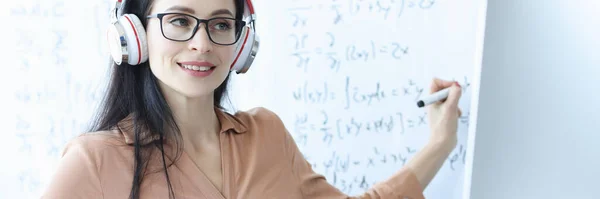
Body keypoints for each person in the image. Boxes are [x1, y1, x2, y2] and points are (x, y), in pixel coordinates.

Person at [41, 0, 463, 198]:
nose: (202, 43)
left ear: (241, 45)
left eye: (220, 25)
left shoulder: (266, 135)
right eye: (180, 21)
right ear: (134, 36)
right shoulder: (94, 161)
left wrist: (439, 145)